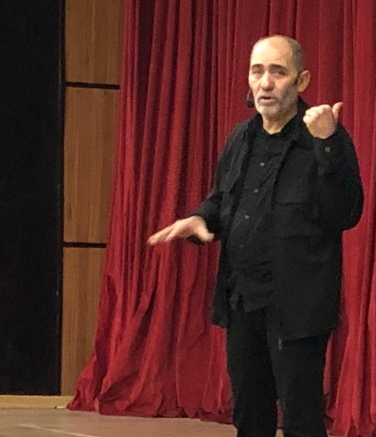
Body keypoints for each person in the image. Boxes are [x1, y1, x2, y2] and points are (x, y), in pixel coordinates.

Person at [148, 35, 364, 437]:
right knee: (249, 416)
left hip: (296, 309)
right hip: (242, 300)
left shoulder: (323, 137)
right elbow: (222, 198)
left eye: (277, 72)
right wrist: (200, 218)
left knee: (301, 421)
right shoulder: (241, 138)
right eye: (257, 71)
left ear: (301, 81)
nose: (265, 83)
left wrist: (327, 144)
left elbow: (346, 213)